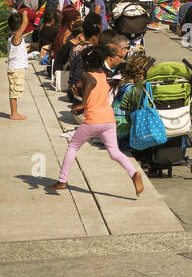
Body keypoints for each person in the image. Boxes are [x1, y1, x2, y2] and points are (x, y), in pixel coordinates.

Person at [50, 37, 143, 197]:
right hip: (108, 120)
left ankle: (62, 180)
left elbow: (89, 88)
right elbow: (94, 88)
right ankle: (134, 173)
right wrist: (78, 90)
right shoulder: (105, 76)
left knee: (73, 147)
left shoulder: (88, 76)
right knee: (114, 152)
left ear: (87, 62)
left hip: (93, 121)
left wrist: (81, 104)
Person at [7, 10, 30, 121]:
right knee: (14, 92)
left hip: (15, 68)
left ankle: (15, 112)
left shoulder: (12, 38)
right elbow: (25, 22)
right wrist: (25, 13)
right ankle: (14, 113)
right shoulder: (16, 37)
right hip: (16, 69)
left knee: (15, 91)